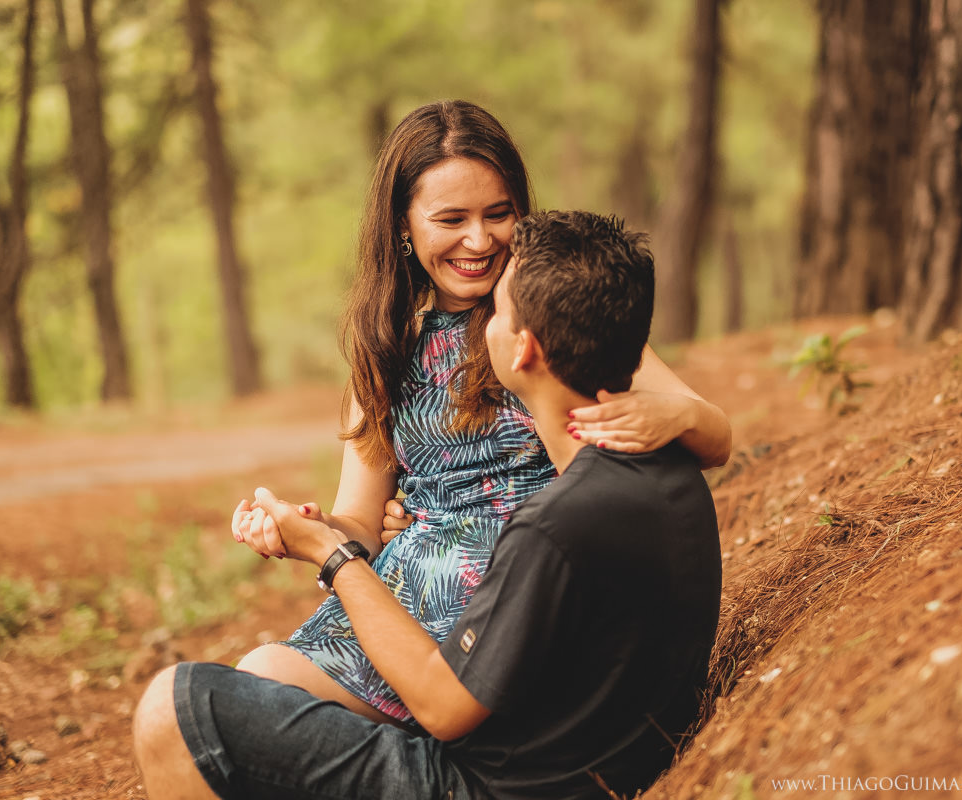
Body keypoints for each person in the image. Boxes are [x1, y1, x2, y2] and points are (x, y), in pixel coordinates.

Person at [133, 209, 722, 799]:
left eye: (499, 311)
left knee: (172, 709)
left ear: (523, 348)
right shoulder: (671, 477)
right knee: (259, 684)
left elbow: (443, 706)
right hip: (558, 759)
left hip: (483, 783)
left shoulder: (553, 528)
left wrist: (331, 554)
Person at [226, 100, 731, 725]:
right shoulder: (386, 350)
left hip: (520, 600)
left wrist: (674, 417)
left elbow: (715, 436)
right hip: (408, 599)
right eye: (451, 219)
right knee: (255, 685)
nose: (479, 239)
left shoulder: (553, 317)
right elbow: (361, 521)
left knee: (262, 705)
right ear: (403, 225)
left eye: (498, 214)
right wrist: (309, 529)